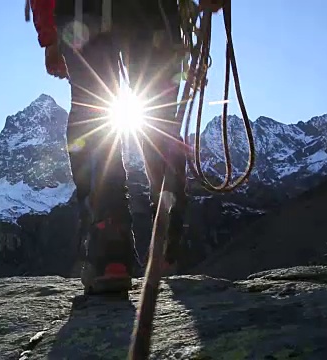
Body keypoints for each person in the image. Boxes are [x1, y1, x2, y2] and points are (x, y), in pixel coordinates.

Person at [28, 0, 223, 294]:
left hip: (84, 10)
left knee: (93, 107)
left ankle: (110, 246)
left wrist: (49, 33)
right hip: (152, 10)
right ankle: (168, 238)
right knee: (158, 108)